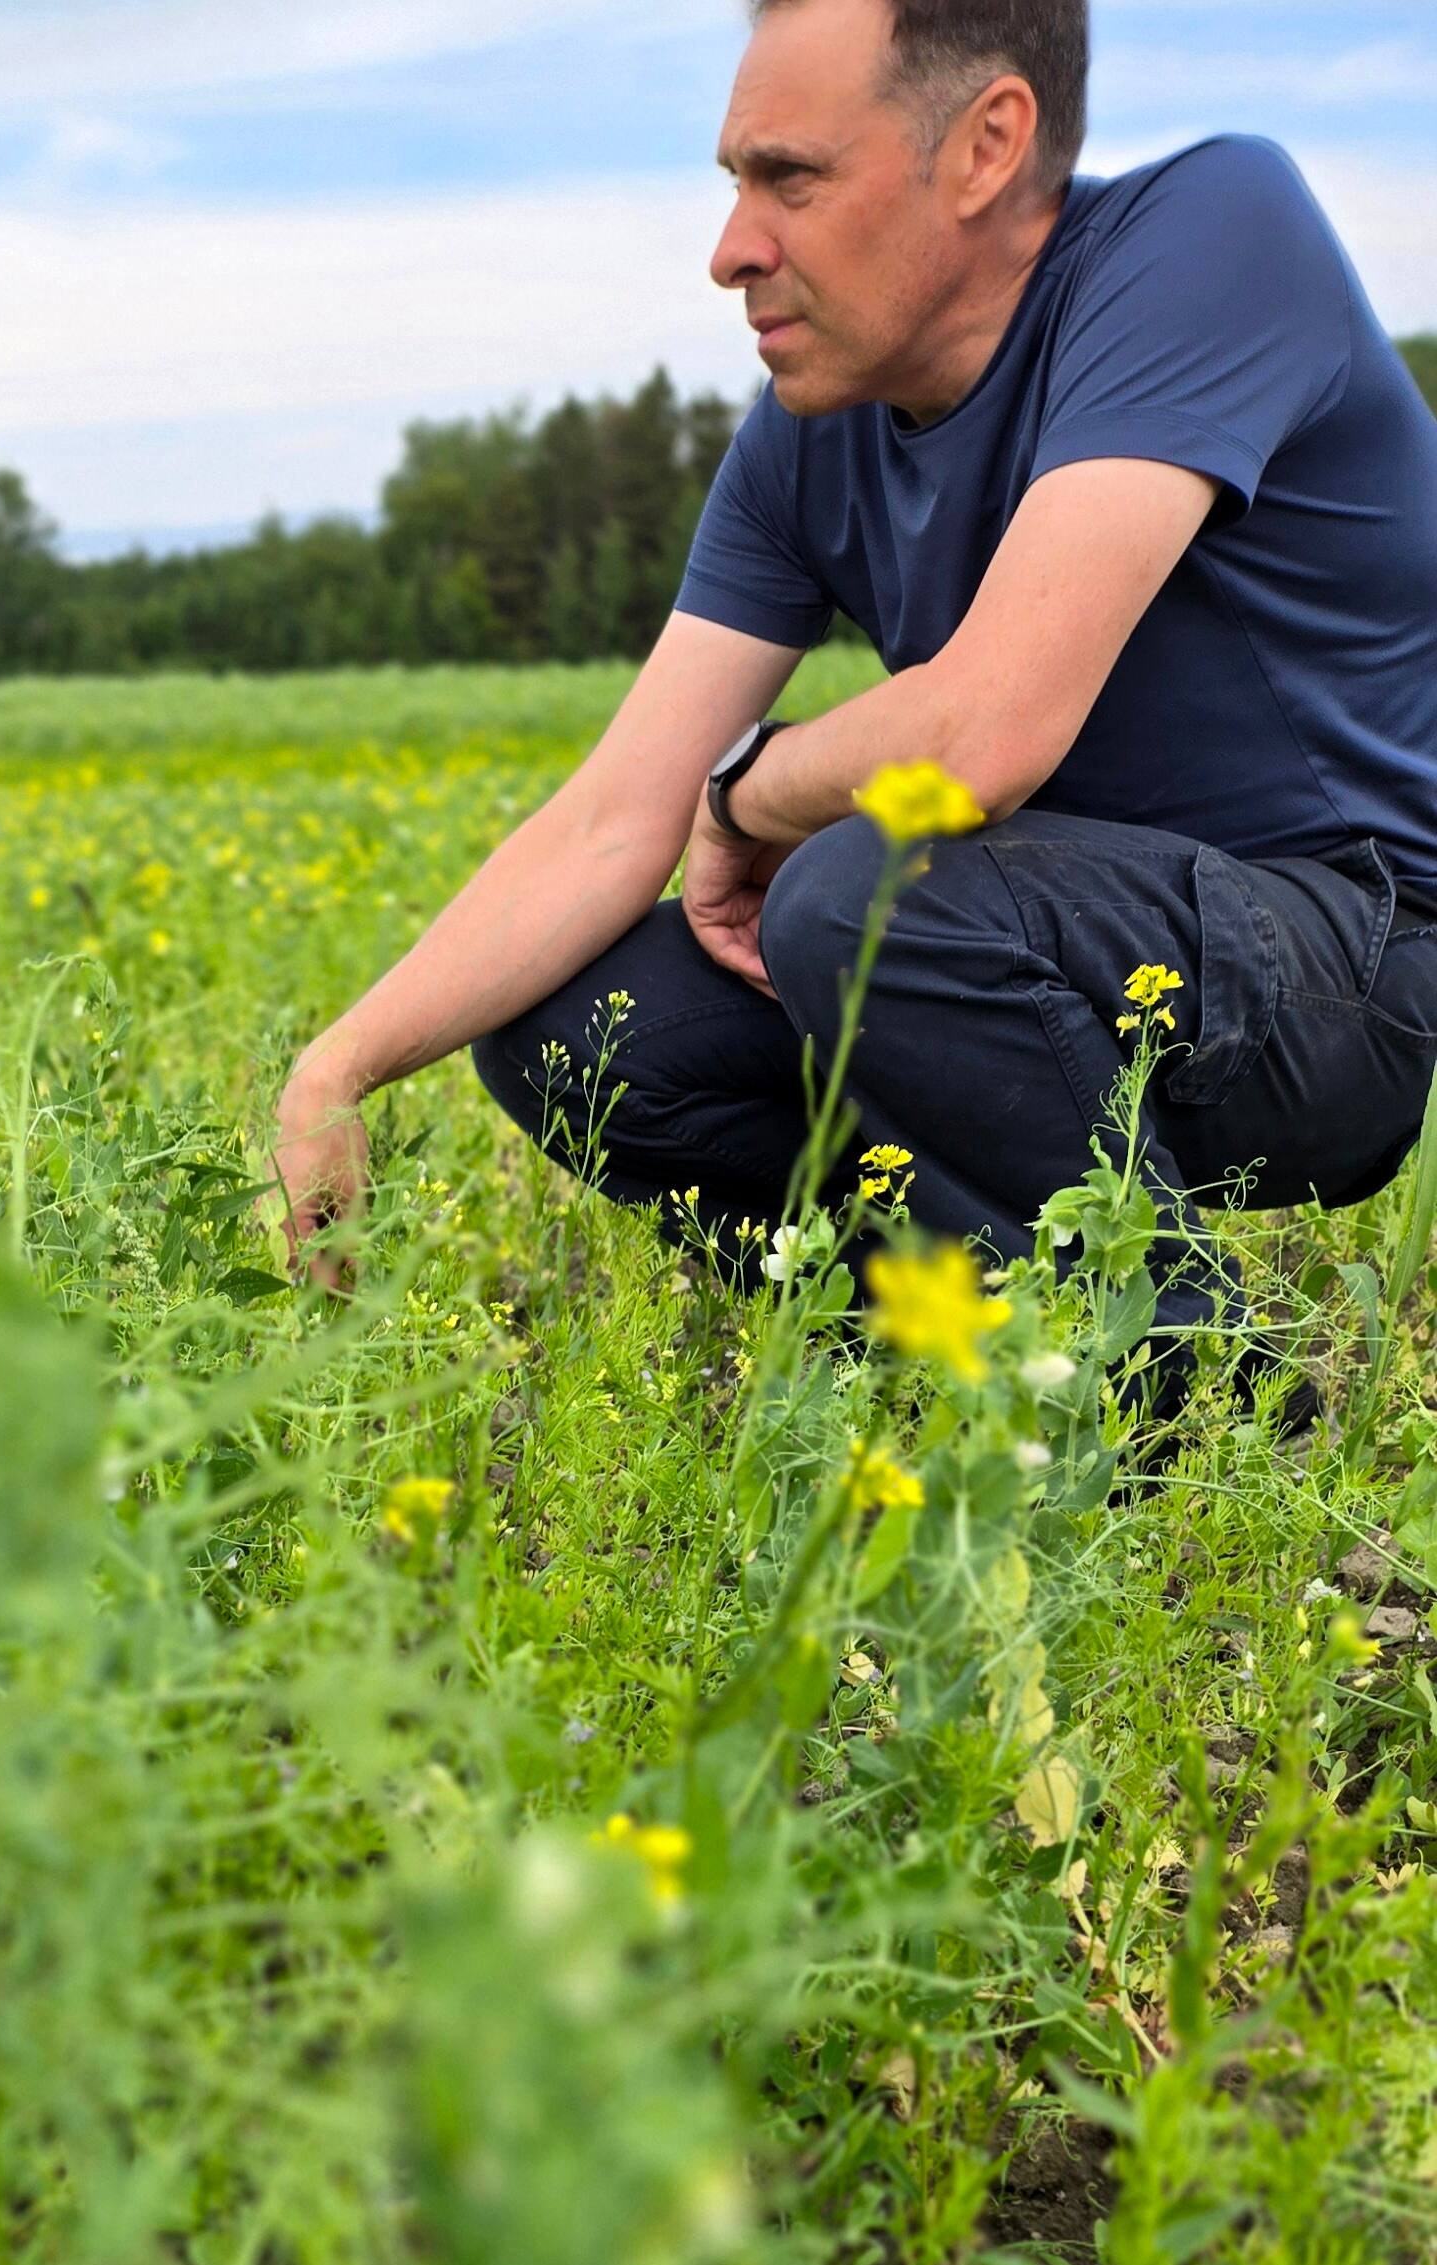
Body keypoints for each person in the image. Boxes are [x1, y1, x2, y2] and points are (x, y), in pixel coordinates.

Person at [273, 0, 1437, 1382]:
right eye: (734, 184)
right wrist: (334, 1069)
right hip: (1066, 954)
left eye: (792, 178)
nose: (731, 251)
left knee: (853, 895)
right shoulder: (806, 437)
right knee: (580, 1035)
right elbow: (606, 821)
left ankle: (1180, 1404)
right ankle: (959, 1354)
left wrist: (749, 793)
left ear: (988, 145)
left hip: (1354, 966)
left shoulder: (1213, 239)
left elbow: (984, 733)